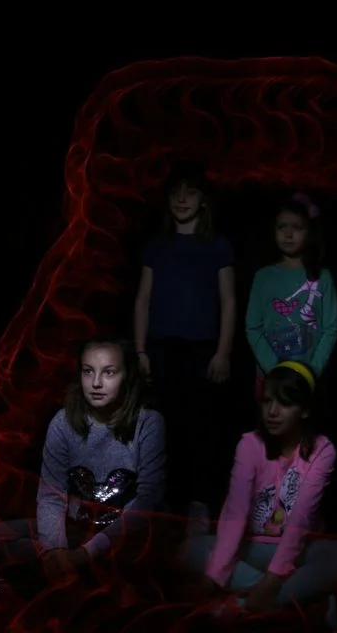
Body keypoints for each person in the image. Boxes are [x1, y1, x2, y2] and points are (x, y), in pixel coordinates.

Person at [0, 338, 167, 613]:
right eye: (88, 371)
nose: (96, 383)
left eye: (109, 372)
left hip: (122, 540)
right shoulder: (63, 422)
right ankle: (60, 583)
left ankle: (82, 589)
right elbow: (51, 495)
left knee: (132, 578)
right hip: (75, 531)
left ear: (127, 375)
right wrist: (55, 551)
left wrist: (85, 554)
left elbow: (145, 503)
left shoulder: (148, 423)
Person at [180, 361, 337, 625]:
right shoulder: (250, 444)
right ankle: (293, 601)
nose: (272, 412)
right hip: (250, 547)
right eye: (267, 402)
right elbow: (235, 514)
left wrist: (272, 581)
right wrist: (213, 578)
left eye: (284, 404)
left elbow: (300, 520)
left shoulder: (322, 449)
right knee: (191, 550)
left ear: (305, 410)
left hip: (298, 550)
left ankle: (247, 603)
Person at [134, 162, 236, 511]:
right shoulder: (157, 245)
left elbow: (228, 300)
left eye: (190, 192)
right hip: (161, 348)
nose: (181, 199)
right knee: (163, 429)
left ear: (203, 200)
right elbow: (143, 298)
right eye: (175, 192)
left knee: (202, 430)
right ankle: (165, 505)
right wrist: (140, 350)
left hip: (202, 350)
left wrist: (223, 352)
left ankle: (199, 503)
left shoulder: (217, 245)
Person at [245, 192, 337, 401]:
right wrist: (275, 370)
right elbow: (253, 327)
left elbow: (331, 328)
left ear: (309, 232)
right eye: (282, 227)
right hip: (269, 377)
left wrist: (312, 370)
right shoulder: (263, 277)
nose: (288, 234)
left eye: (296, 227)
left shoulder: (322, 277)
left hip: (310, 379)